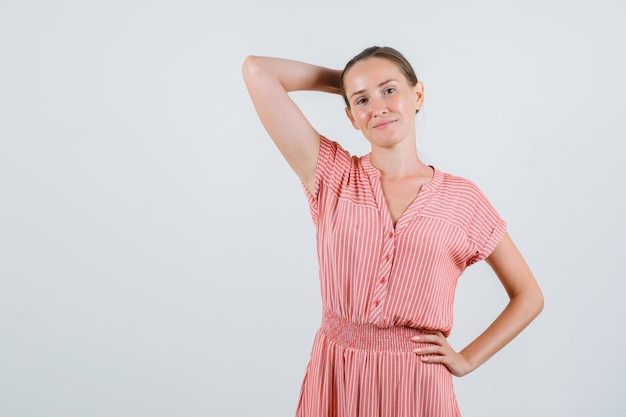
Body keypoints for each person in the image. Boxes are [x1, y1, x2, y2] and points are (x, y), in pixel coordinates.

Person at [242, 46, 544, 417]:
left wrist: (467, 359)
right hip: (336, 374)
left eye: (389, 90)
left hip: (417, 381)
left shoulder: (463, 199)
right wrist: (344, 81)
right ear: (351, 116)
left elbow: (528, 295)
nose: (378, 107)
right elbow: (257, 71)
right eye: (362, 100)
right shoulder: (332, 176)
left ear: (417, 95)